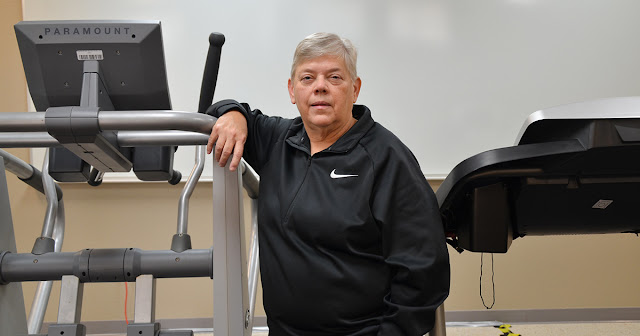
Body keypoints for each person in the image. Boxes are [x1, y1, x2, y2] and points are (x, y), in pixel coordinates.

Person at [206, 32, 450, 336]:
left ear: (355, 89)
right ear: (292, 90)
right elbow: (218, 110)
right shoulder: (276, 140)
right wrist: (232, 114)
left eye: (334, 77)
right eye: (307, 78)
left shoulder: (386, 158)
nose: (320, 86)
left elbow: (423, 268)